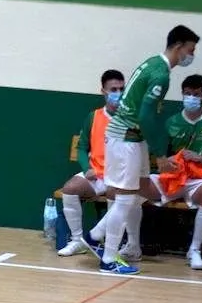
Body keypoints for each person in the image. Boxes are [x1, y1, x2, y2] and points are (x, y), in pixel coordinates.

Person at [98, 24, 200, 275]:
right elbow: (145, 116)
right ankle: (108, 259)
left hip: (131, 138)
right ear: (178, 46)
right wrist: (161, 155)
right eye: (190, 50)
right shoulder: (161, 75)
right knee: (123, 199)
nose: (191, 56)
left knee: (138, 190)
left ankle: (95, 235)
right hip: (127, 138)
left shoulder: (152, 62)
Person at [147, 74, 202, 270]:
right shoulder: (171, 121)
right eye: (187, 94)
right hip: (173, 177)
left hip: (198, 179)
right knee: (137, 185)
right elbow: (160, 159)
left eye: (196, 94)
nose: (191, 98)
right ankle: (130, 244)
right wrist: (166, 162)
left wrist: (200, 158)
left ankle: (194, 250)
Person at [58, 69, 140, 261]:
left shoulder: (132, 117)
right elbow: (81, 148)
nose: (118, 93)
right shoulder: (93, 117)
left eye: (122, 89)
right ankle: (78, 240)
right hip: (97, 174)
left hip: (120, 177)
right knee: (70, 189)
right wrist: (87, 167)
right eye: (114, 89)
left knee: (117, 195)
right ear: (103, 91)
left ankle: (112, 245)